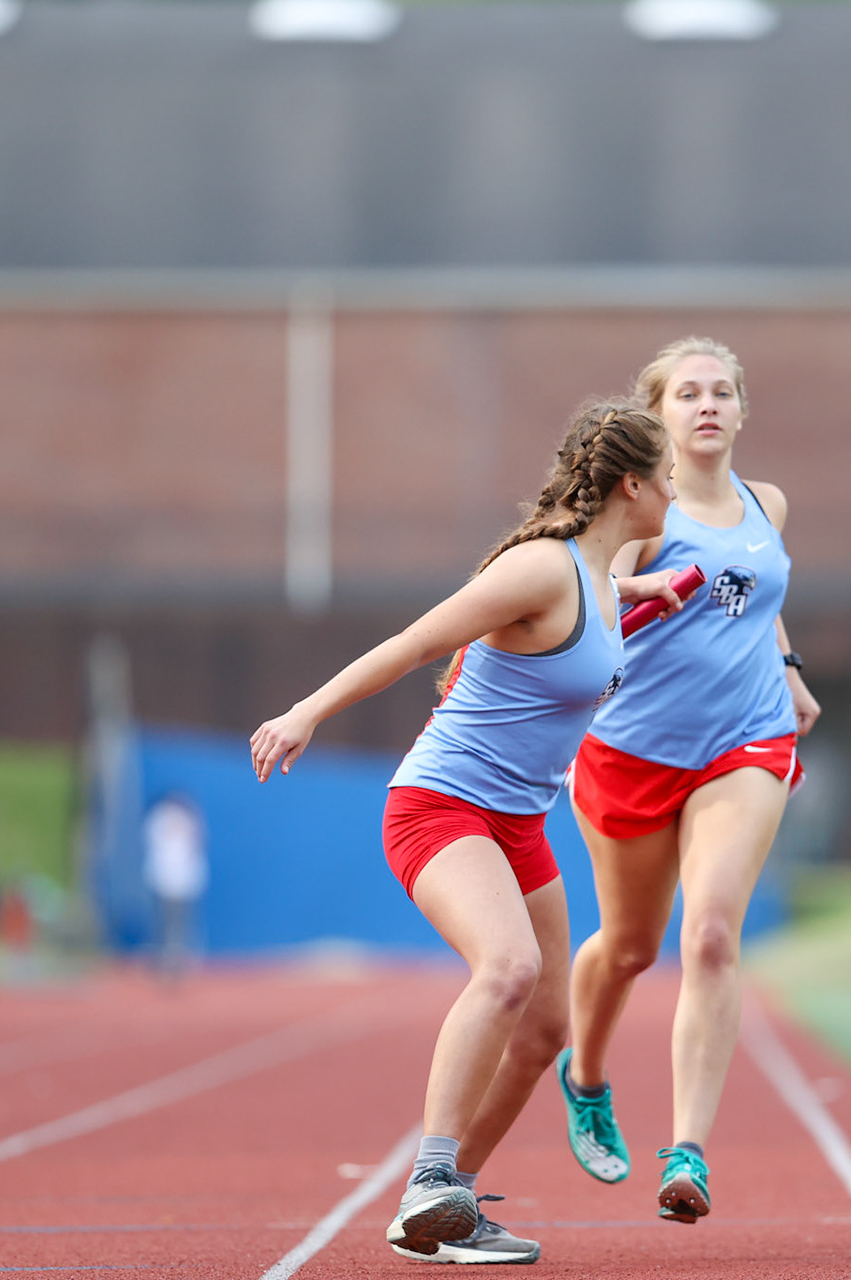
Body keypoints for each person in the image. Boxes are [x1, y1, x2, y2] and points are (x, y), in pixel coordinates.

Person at [250, 401, 687, 1265]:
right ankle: (430, 1176)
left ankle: (443, 1210)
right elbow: (418, 642)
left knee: (546, 1030)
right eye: (667, 475)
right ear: (631, 484)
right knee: (510, 967)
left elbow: (592, 612)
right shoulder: (540, 568)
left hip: (519, 824)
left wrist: (644, 591)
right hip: (440, 808)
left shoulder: (603, 577)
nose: (676, 491)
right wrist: (306, 712)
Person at [560, 337, 821, 1224]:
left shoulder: (767, 503)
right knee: (631, 948)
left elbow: (762, 597)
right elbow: (591, 589)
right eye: (687, 394)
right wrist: (627, 589)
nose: (706, 405)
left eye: (721, 393)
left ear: (742, 412)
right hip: (632, 752)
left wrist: (786, 669)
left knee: (710, 935)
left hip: (745, 744)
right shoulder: (636, 513)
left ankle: (689, 1153)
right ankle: (586, 1074)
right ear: (659, 414)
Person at [142, 791, 207, 980]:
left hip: (178, 880)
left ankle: (176, 962)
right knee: (169, 924)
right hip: (168, 879)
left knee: (176, 924)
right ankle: (168, 962)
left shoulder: (167, 819)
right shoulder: (162, 820)